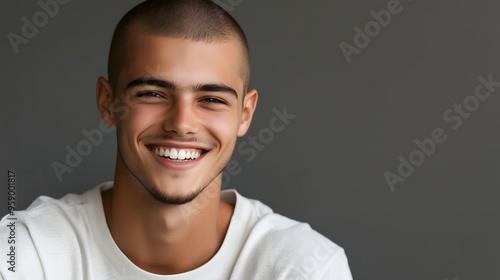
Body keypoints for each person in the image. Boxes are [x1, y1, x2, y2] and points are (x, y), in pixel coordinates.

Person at [0, 0, 353, 279]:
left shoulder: (305, 268)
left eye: (212, 99)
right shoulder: (24, 252)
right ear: (108, 103)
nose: (182, 124)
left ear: (245, 114)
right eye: (152, 94)